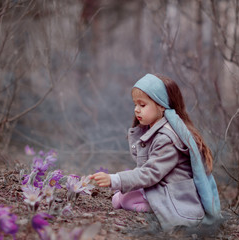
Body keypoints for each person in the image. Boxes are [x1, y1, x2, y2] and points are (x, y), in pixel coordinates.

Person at [89, 73, 221, 231]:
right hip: (162, 186)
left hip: (177, 197)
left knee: (124, 200)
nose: (136, 110)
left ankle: (159, 211)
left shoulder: (167, 138)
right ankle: (146, 202)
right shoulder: (153, 129)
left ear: (161, 106)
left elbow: (150, 172)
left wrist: (115, 179)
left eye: (142, 105)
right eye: (135, 104)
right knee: (120, 198)